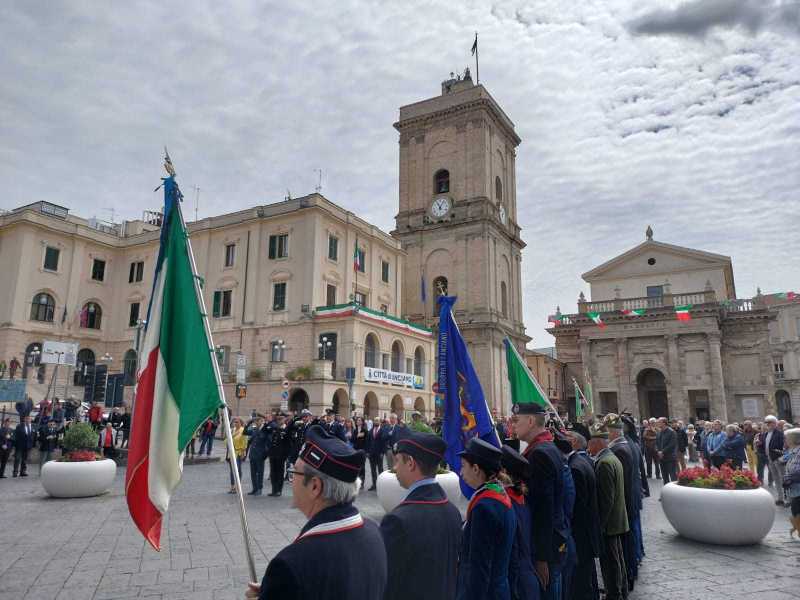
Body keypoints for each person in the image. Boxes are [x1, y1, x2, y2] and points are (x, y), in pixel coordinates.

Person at [246, 425, 387, 600]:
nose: (292, 479)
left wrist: (279, 587)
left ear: (314, 486)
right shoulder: (374, 531)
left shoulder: (291, 564)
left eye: (294, 472)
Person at [380, 431, 462, 600]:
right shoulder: (452, 511)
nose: (395, 468)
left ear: (410, 463)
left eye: (397, 461)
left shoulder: (398, 520)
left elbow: (388, 583)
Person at [512, 403, 571, 600]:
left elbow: (543, 510)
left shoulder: (539, 455)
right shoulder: (546, 447)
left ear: (530, 421)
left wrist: (541, 557)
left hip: (546, 546)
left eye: (516, 420)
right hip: (555, 538)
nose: (513, 425)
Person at [456, 437, 516, 600]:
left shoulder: (484, 507)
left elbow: (479, 569)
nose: (461, 472)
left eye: (463, 466)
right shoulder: (500, 495)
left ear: (476, 468)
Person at [588, 424, 628, 600]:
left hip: (610, 524)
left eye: (590, 443)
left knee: (610, 563)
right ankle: (622, 590)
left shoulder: (604, 463)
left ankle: (614, 594)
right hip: (617, 520)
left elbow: (606, 499)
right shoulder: (611, 458)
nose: (589, 447)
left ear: (597, 443)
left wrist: (601, 525)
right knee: (618, 559)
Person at [500, 445, 539, 600]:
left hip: (517, 584)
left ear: (503, 472)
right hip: (528, 578)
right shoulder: (520, 499)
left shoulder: (507, 504)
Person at [565, 432, 600, 600]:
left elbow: (576, 507)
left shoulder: (574, 468)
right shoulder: (583, 461)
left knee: (582, 582)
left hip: (581, 534)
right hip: (587, 532)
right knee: (588, 576)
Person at [604, 414, 638, 591]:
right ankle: (628, 578)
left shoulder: (620, 450)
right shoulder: (623, 447)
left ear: (614, 432)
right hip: (626, 504)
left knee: (624, 547)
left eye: (608, 431)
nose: (606, 435)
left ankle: (628, 578)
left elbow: (621, 484)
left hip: (624, 504)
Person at [780, 428, 800, 536]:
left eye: (786, 438)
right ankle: (796, 527)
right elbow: (783, 460)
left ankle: (797, 528)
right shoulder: (793, 451)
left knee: (796, 511)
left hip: (797, 486)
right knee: (795, 510)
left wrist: (789, 477)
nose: (785, 440)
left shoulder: (798, 451)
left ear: (793, 440)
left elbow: (797, 470)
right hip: (794, 488)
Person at [763, 415, 786, 506]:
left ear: (775, 423)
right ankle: (780, 498)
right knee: (776, 479)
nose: (767, 424)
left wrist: (779, 454)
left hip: (778, 458)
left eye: (769, 422)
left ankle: (786, 498)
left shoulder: (780, 434)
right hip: (770, 458)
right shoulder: (766, 434)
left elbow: (782, 447)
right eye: (766, 423)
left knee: (783, 478)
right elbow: (765, 446)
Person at [245, 416, 271, 496]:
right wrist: (248, 423)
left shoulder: (265, 431)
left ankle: (259, 488)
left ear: (262, 421)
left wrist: (265, 455)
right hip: (252, 455)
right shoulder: (254, 430)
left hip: (260, 455)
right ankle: (254, 488)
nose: (256, 422)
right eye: (255, 421)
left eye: (258, 421)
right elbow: (244, 432)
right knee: (253, 473)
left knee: (260, 473)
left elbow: (268, 443)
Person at [267, 412, 290, 496]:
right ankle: (274, 490)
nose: (279, 420)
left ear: (285, 419)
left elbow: (288, 443)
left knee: (280, 473)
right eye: (278, 419)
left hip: (281, 455)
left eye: (281, 419)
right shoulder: (274, 428)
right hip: (273, 454)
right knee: (273, 472)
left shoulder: (286, 429)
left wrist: (286, 455)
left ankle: (279, 490)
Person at [227, 417, 248, 494]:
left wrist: (243, 452)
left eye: (237, 422)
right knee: (232, 470)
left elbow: (245, 442)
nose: (235, 423)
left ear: (241, 423)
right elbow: (227, 440)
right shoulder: (232, 430)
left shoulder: (243, 430)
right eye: (234, 422)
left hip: (238, 453)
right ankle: (232, 486)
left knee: (237, 470)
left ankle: (237, 486)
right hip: (231, 453)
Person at [656, 417, 677, 484]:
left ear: (664, 423)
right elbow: (656, 443)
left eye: (659, 422)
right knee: (664, 476)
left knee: (673, 475)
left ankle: (675, 491)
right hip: (661, 458)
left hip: (670, 457)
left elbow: (672, 444)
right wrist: (658, 451)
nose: (658, 423)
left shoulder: (671, 432)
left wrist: (662, 451)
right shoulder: (659, 432)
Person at [352, 416, 368, 487]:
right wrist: (356, 436)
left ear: (362, 422)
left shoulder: (365, 430)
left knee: (362, 467)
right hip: (355, 450)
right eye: (357, 420)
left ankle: (362, 483)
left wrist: (365, 450)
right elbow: (352, 439)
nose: (357, 422)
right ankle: (356, 481)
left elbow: (366, 441)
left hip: (362, 450)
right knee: (356, 466)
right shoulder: (355, 430)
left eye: (359, 420)